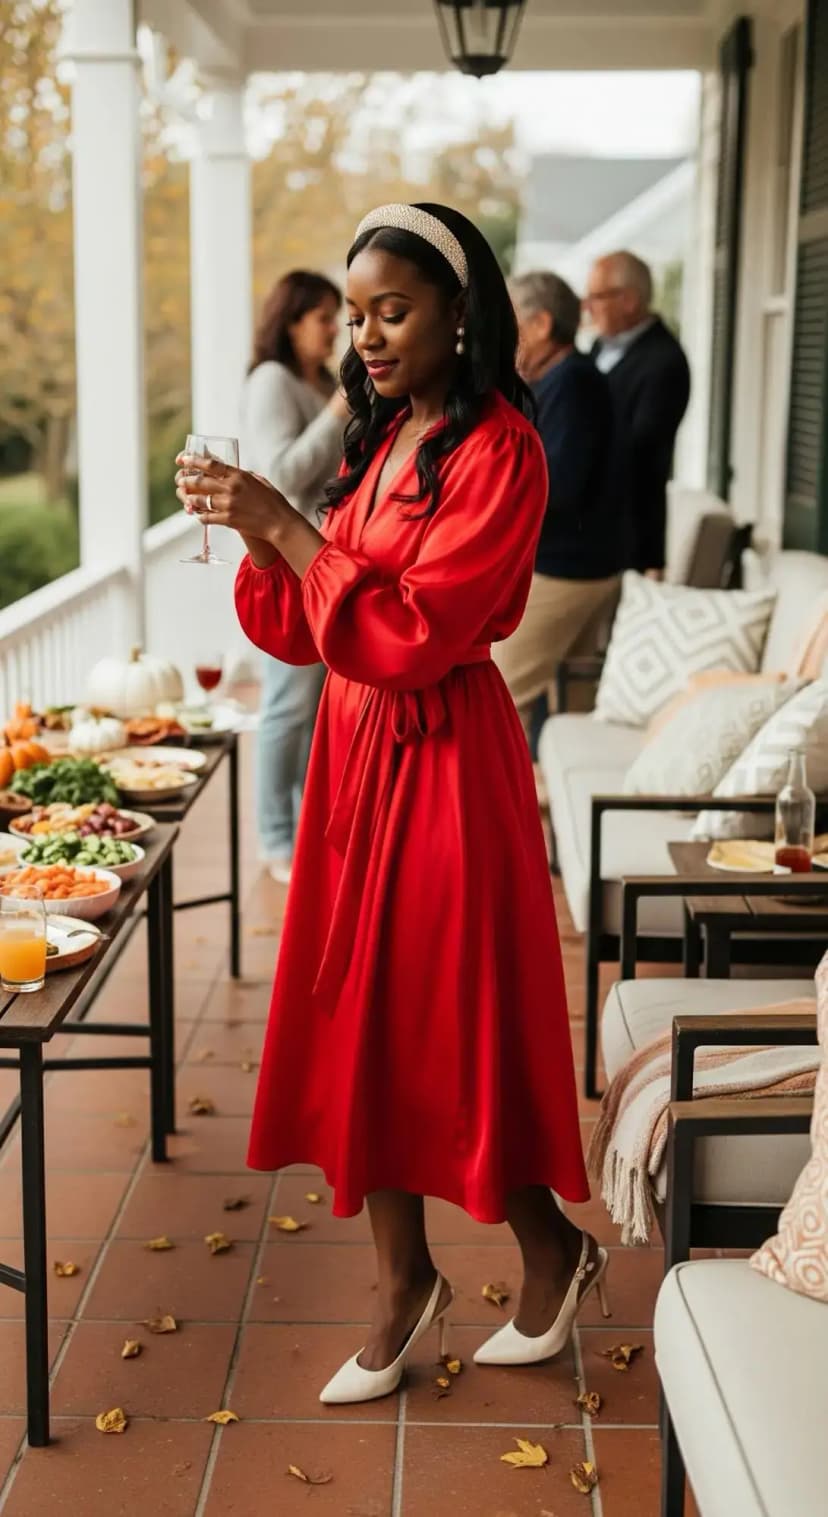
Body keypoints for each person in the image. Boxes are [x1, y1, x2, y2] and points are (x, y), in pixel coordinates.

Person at [176, 203, 604, 1408]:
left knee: (442, 1023)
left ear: (461, 314)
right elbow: (310, 623)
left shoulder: (500, 451)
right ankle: (402, 1276)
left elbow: (415, 630)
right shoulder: (383, 444)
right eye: (354, 314)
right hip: (358, 763)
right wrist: (259, 535)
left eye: (394, 310)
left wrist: (287, 526)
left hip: (442, 764)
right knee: (361, 1017)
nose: (364, 336)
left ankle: (549, 1248)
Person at [240, 271, 348, 882]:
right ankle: (275, 838)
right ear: (290, 320)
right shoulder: (273, 381)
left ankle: (308, 826)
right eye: (324, 316)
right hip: (290, 567)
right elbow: (280, 474)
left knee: (317, 705)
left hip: (328, 564)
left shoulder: (324, 381)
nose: (335, 328)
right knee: (287, 705)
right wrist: (337, 412)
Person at [494, 271, 620, 739]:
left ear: (542, 324)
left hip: (567, 568)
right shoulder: (560, 378)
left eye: (513, 322)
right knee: (569, 703)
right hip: (584, 565)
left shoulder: (573, 382)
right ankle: (545, 803)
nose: (503, 335)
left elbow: (558, 485)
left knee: (496, 694)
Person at [585, 251, 690, 578]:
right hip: (590, 532)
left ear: (629, 300)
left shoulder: (664, 361)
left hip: (630, 536)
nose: (588, 306)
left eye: (597, 297)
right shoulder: (600, 347)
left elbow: (641, 449)